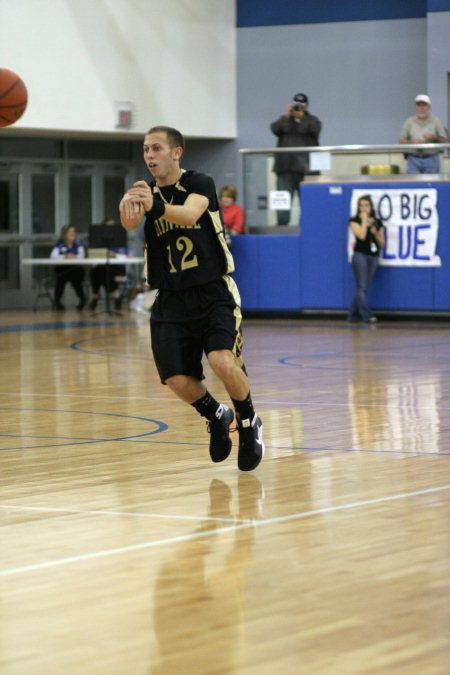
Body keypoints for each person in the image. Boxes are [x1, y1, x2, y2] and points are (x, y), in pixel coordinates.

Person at [119, 125, 264, 472]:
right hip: (170, 297)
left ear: (176, 152)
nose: (149, 155)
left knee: (222, 362)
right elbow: (129, 224)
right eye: (145, 150)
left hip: (212, 291)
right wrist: (129, 207)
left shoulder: (200, 183)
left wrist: (152, 206)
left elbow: (189, 215)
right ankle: (217, 415)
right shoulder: (147, 193)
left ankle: (248, 421)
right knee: (176, 379)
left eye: (156, 148)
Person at [270, 92, 322, 225]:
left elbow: (315, 130)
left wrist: (302, 118)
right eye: (296, 104)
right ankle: (282, 228)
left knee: (308, 203)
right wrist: (288, 116)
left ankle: (306, 227)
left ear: (307, 106)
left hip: (307, 171)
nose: (298, 108)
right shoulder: (285, 120)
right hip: (285, 169)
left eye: (301, 105)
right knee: (283, 203)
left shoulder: (313, 121)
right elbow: (274, 129)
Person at [347, 195, 385, 324]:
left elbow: (382, 243)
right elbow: (362, 236)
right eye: (361, 205)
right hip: (360, 255)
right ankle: (366, 315)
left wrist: (376, 233)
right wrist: (364, 220)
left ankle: (352, 314)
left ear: (371, 207)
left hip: (373, 256)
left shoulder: (377, 222)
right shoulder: (354, 220)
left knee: (362, 287)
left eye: (366, 205)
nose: (363, 208)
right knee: (362, 287)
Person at [400, 94, 447, 174]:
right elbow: (401, 141)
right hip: (413, 159)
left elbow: (445, 141)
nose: (421, 108)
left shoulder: (436, 121)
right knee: (413, 185)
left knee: (431, 184)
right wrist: (412, 142)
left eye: (424, 105)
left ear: (429, 107)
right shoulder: (409, 122)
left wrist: (434, 137)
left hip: (432, 159)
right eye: (419, 105)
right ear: (416, 107)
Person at [89, 217, 128, 311]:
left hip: (118, 268)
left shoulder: (121, 241)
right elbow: (94, 259)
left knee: (103, 271)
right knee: (96, 270)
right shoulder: (99, 243)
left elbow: (126, 256)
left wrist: (115, 255)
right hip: (104, 268)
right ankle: (116, 295)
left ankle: (96, 296)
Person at [50, 224, 86, 311]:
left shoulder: (78, 243)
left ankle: (82, 300)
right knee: (60, 278)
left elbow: (82, 256)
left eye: (74, 231)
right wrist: (65, 257)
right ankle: (57, 301)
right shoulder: (60, 243)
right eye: (70, 231)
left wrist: (74, 257)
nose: (72, 233)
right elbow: (53, 256)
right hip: (63, 268)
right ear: (65, 233)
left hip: (75, 268)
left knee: (76, 278)